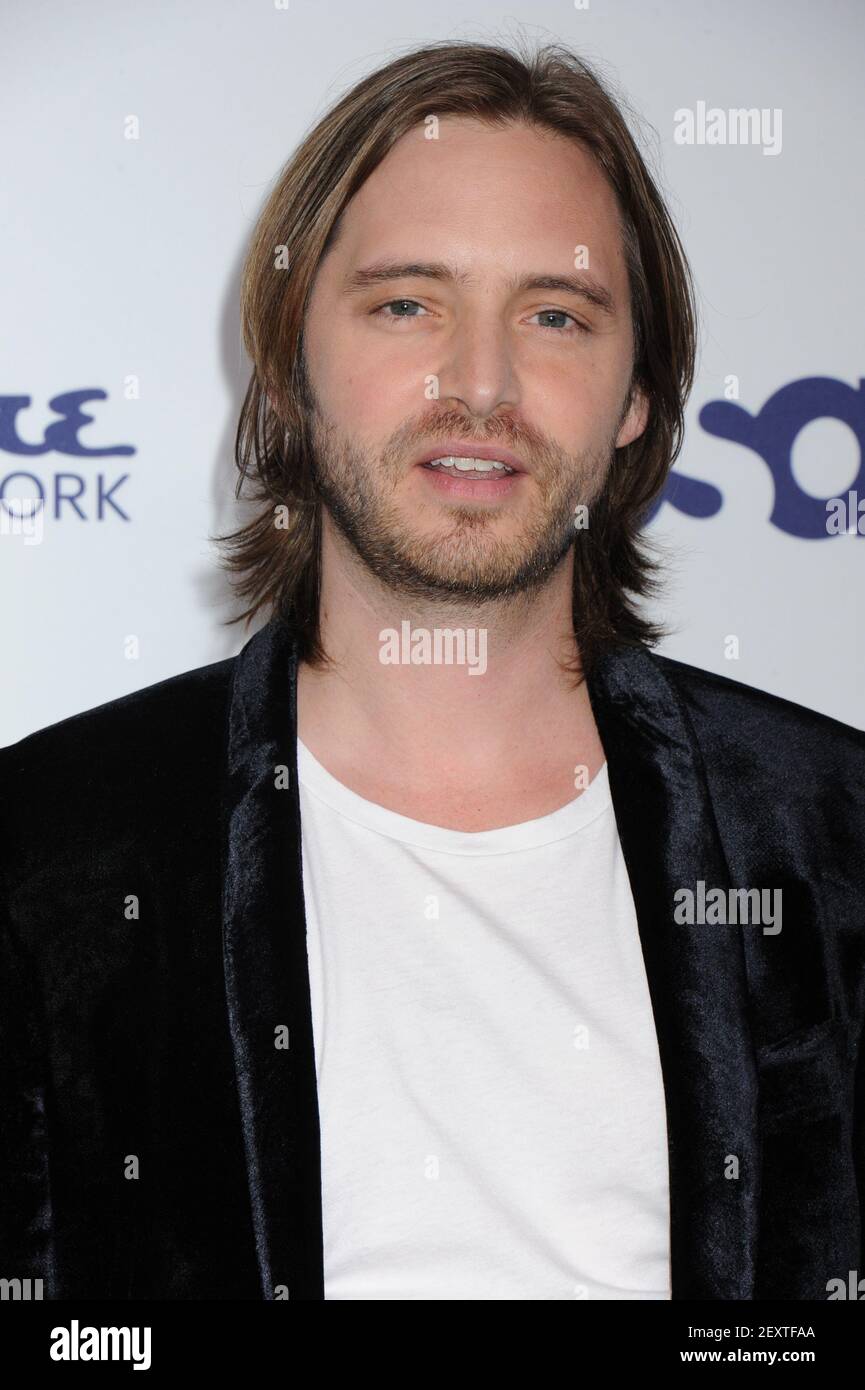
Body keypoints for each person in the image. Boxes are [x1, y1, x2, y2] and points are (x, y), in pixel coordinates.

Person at [1, 39, 863, 1303]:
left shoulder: (830, 840)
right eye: (407, 303)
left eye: (556, 315)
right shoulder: (51, 850)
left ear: (637, 396)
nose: (480, 383)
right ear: (293, 362)